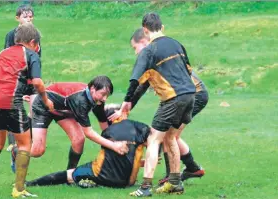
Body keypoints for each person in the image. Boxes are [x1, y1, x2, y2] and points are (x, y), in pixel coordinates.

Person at [109, 12, 196, 196]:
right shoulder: (176, 43)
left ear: (145, 30)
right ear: (161, 27)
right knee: (170, 137)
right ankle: (175, 183)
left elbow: (135, 79)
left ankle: (145, 187)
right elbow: (188, 70)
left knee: (153, 138)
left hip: (173, 98)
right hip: (190, 95)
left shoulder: (149, 50)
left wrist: (126, 101)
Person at [0, 23, 53, 198]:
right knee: (25, 144)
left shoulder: (2, 53)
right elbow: (38, 82)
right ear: (33, 42)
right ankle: (19, 189)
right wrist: (46, 101)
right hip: (10, 100)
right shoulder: (31, 54)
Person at [130, 27, 207, 185]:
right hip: (189, 95)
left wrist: (126, 106)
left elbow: (141, 87)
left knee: (169, 136)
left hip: (194, 94)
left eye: (135, 47)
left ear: (144, 42)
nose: (135, 53)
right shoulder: (156, 57)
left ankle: (176, 175)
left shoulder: (156, 54)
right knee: (167, 135)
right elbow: (142, 86)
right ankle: (187, 170)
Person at [25, 104, 151, 190]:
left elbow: (114, 156)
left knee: (70, 174)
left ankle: (31, 183)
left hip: (103, 175)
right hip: (128, 183)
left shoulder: (107, 132)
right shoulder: (139, 127)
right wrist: (141, 161)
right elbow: (129, 150)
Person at [29, 77, 129, 170]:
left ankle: (70, 174)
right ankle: (18, 151)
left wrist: (114, 140)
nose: (104, 99)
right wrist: (113, 146)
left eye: (107, 95)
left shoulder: (98, 100)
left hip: (63, 110)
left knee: (79, 140)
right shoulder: (80, 101)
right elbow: (89, 132)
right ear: (93, 88)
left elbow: (102, 121)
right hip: (43, 107)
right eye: (103, 94)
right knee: (38, 151)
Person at [4, 4, 41, 173]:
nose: (29, 19)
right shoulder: (11, 35)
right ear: (17, 18)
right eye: (25, 16)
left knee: (35, 111)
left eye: (31, 16)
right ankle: (14, 145)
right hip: (16, 81)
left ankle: (26, 141)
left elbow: (37, 58)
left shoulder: (36, 35)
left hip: (30, 80)